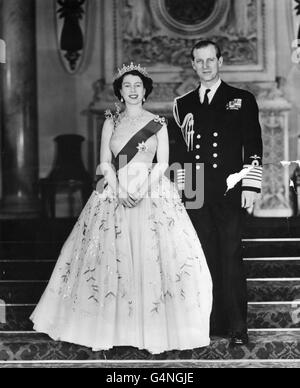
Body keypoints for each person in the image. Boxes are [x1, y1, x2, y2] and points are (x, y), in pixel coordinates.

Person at [30, 63, 212, 354]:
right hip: (114, 191)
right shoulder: (111, 122)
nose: (132, 90)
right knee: (111, 260)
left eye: (137, 85)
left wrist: (141, 189)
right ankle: (112, 328)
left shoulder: (158, 124)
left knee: (149, 258)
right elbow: (104, 161)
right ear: (120, 91)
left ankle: (151, 328)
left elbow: (163, 163)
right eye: (127, 85)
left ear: (145, 91)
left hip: (151, 191)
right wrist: (118, 189)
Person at [173, 40, 263, 346]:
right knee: (203, 257)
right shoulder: (182, 103)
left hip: (229, 188)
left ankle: (237, 326)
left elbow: (252, 146)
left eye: (211, 60)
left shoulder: (241, 99)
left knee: (231, 254)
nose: (206, 65)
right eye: (199, 61)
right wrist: (182, 189)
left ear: (220, 62)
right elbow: (179, 152)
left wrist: (250, 185)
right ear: (193, 65)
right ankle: (208, 323)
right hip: (196, 190)